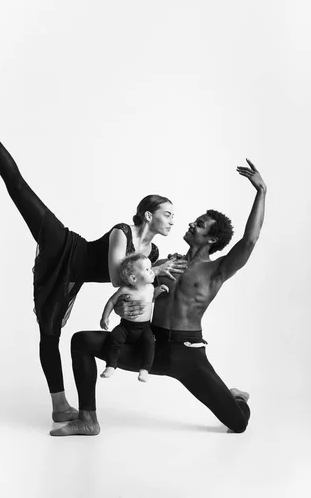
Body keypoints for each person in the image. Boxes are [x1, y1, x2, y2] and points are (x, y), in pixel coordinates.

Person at [0, 90, 185, 422]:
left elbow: (142, 289)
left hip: (73, 277)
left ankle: (58, 407)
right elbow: (114, 278)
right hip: (64, 247)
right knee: (19, 188)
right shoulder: (122, 232)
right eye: (167, 214)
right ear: (149, 215)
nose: (172, 220)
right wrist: (155, 268)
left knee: (50, 336)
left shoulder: (153, 252)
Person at [50, 159, 266, 436]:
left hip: (186, 354)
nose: (190, 224)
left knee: (238, 424)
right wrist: (124, 308)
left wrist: (261, 193)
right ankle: (88, 420)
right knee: (81, 341)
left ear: (211, 239)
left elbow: (249, 241)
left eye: (199, 225)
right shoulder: (163, 263)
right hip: (149, 346)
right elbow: (128, 286)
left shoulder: (216, 271)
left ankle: (234, 397)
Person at [99, 254, 169, 382]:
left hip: (144, 328)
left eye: (151, 268)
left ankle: (145, 370)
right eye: (147, 269)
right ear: (133, 278)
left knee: (150, 343)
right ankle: (111, 365)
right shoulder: (125, 289)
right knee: (115, 338)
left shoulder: (150, 287)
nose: (152, 271)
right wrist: (105, 317)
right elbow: (111, 301)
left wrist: (158, 291)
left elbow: (150, 300)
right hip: (126, 326)